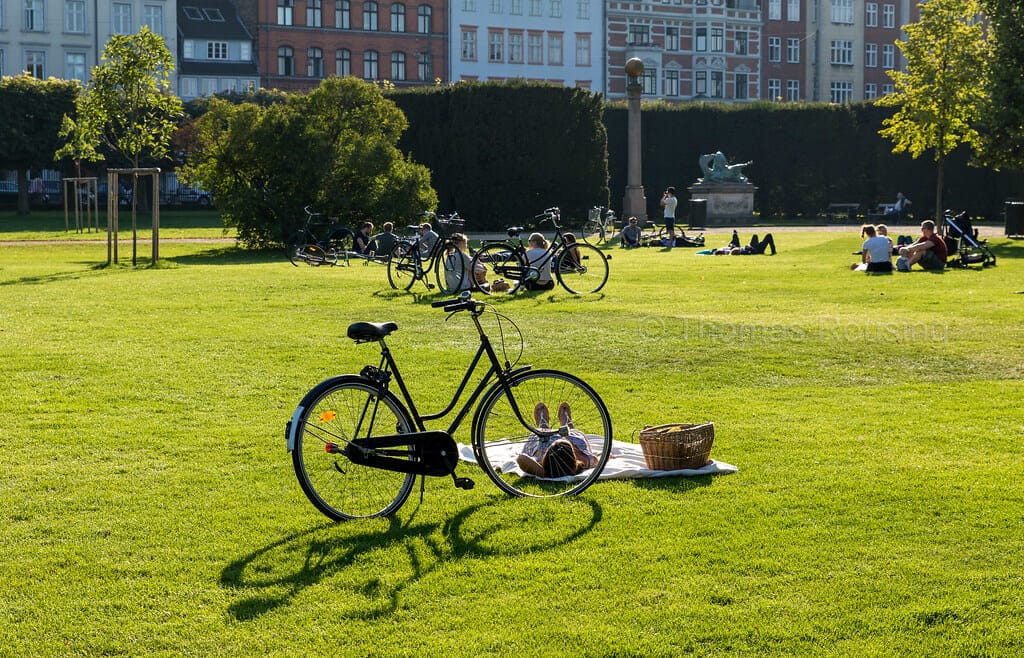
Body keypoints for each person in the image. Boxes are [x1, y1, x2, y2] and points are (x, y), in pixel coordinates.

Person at [516, 402, 598, 478]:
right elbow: (596, 460)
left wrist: (544, 473)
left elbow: (521, 459)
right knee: (573, 436)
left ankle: (543, 425)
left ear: (547, 456)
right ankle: (568, 424)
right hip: (572, 439)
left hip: (544, 441)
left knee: (541, 436)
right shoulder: (583, 460)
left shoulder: (540, 457)